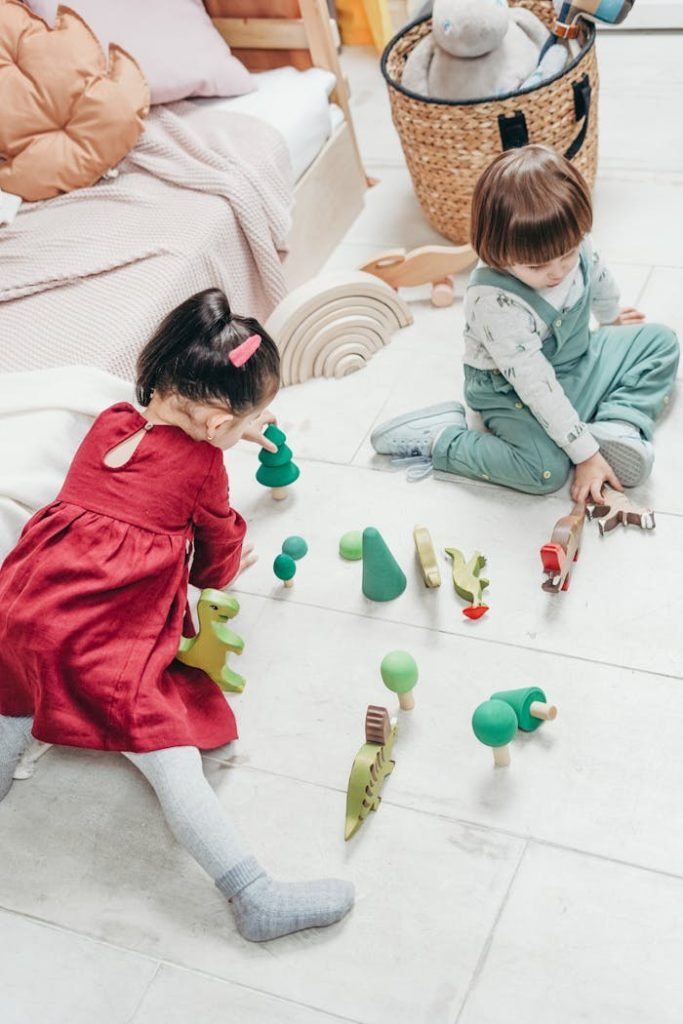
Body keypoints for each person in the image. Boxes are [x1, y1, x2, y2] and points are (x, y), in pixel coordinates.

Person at [0, 288, 353, 942]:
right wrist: (223, 565)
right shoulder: (204, 465)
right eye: (254, 415)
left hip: (23, 599)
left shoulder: (110, 421)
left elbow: (138, 487)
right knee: (168, 753)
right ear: (219, 426)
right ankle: (253, 897)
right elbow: (214, 554)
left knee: (14, 696)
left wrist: (227, 420)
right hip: (97, 632)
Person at [371, 145, 679, 503]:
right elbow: (537, 387)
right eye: (536, 267)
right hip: (511, 391)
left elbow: (597, 275)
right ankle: (441, 437)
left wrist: (611, 318)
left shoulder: (569, 240)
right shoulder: (495, 302)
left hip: (575, 362)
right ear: (498, 251)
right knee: (544, 471)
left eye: (567, 254)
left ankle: (617, 424)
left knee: (661, 342)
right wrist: (587, 455)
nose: (557, 271)